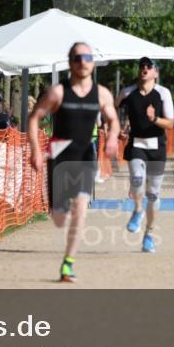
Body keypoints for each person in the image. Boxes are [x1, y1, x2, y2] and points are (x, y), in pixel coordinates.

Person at [28, 42, 119, 283]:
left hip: (85, 153)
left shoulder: (101, 93)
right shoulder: (57, 92)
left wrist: (111, 137)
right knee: (58, 217)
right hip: (60, 151)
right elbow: (34, 118)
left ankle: (68, 263)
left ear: (92, 62)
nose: (83, 62)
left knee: (80, 209)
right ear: (70, 62)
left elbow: (113, 119)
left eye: (88, 57)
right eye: (78, 58)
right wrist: (36, 150)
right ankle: (59, 209)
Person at [116, 56, 174, 253]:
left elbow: (170, 123)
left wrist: (154, 118)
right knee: (136, 179)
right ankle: (137, 211)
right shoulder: (127, 92)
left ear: (155, 73)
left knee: (153, 194)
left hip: (157, 147)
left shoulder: (163, 93)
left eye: (149, 66)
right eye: (142, 66)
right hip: (137, 144)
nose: (145, 68)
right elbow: (113, 111)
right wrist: (118, 129)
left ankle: (149, 235)